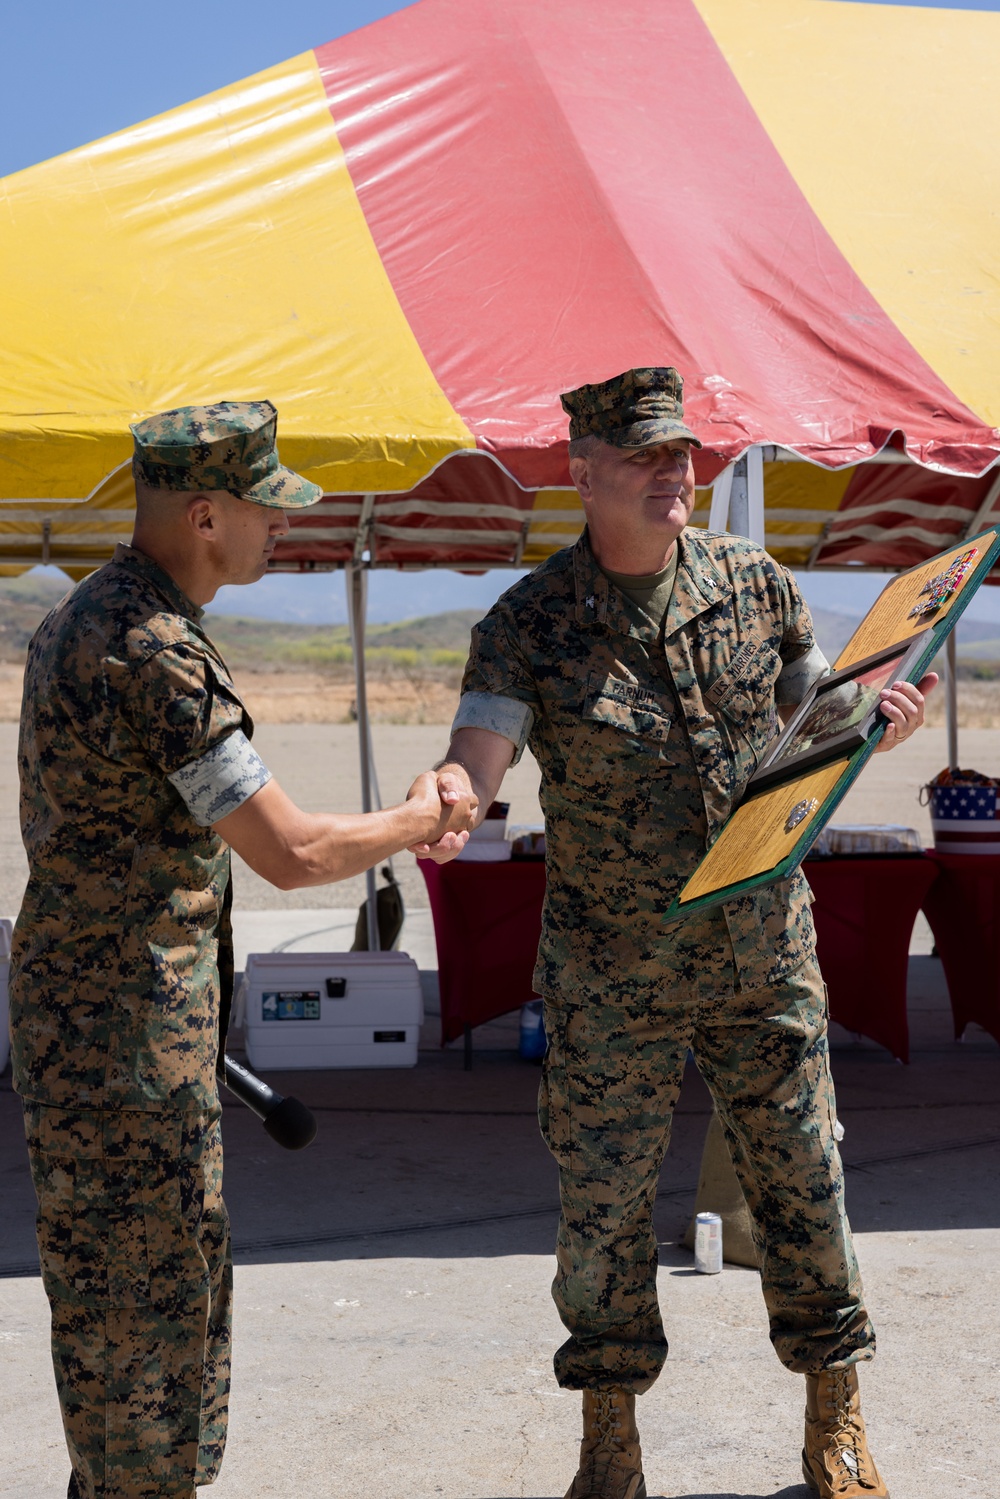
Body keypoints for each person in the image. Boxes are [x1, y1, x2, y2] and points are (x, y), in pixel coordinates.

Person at [414, 368, 935, 1499]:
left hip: (762, 958)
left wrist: (876, 722)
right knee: (601, 1207)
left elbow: (818, 717)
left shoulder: (756, 586)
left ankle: (834, 1420)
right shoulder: (531, 623)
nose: (675, 471)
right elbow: (481, 751)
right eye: (646, 454)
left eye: (684, 452)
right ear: (583, 471)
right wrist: (448, 789)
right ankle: (610, 1439)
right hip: (612, 975)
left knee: (803, 1184)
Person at [10, 401, 475, 1499]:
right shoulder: (154, 651)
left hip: (102, 1032)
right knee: (148, 1321)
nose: (283, 527)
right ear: (206, 513)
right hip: (127, 1047)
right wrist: (423, 815)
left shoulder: (94, 614)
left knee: (115, 1306)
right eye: (266, 507)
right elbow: (294, 851)